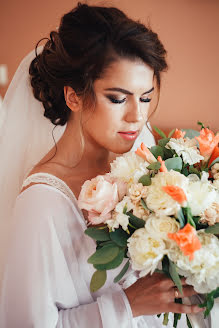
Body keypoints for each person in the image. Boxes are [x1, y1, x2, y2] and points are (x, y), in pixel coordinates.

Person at [0, 3, 209, 327]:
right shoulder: (43, 202)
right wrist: (126, 305)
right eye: (117, 98)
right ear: (74, 97)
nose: (136, 117)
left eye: (144, 97)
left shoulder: (148, 171)